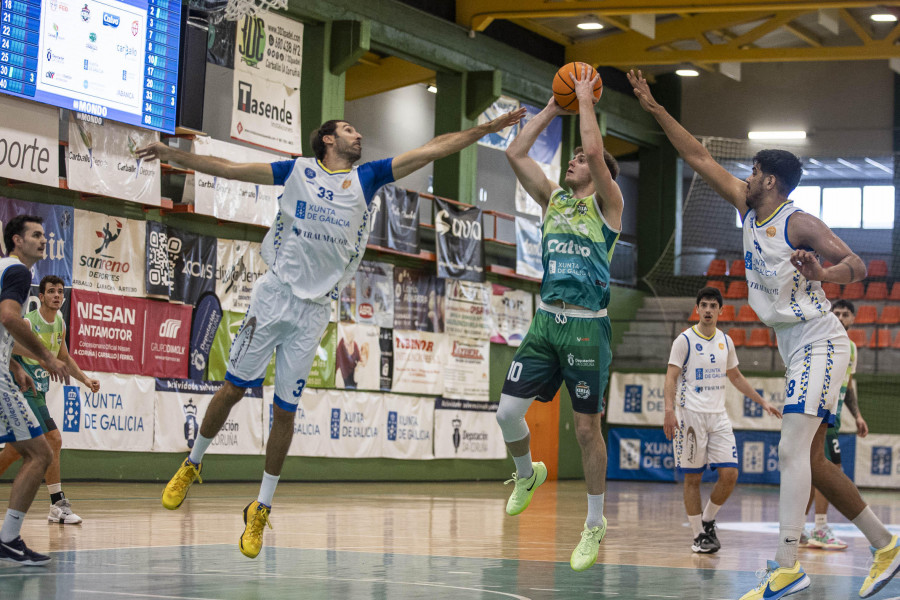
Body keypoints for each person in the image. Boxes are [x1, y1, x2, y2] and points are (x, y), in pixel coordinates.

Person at [137, 107, 526, 559]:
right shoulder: (297, 170)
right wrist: (170, 153)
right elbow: (229, 169)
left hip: (314, 311)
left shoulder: (367, 179)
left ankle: (260, 507)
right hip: (273, 295)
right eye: (348, 129)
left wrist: (484, 130)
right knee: (232, 390)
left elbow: (428, 151)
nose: (358, 134)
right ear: (326, 140)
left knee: (285, 412)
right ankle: (192, 464)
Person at [628, 69, 900, 599]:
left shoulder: (798, 223)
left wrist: (821, 274)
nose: (744, 177)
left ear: (768, 181)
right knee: (813, 463)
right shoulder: (747, 208)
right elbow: (699, 158)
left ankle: (786, 565)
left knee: (792, 451)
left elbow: (858, 267)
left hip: (821, 339)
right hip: (794, 347)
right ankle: (886, 545)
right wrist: (656, 109)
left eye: (752, 172)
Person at [497, 65, 623, 572]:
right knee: (507, 414)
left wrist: (586, 97)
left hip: (588, 327)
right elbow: (514, 153)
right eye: (569, 158)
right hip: (545, 321)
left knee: (587, 431)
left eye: (578, 159)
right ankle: (527, 473)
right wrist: (556, 103)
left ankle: (594, 523)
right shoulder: (553, 200)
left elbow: (595, 151)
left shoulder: (609, 207)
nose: (573, 162)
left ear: (597, 173)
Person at [664, 286, 781, 554]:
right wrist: (669, 410)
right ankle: (697, 536)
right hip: (690, 417)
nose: (707, 310)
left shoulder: (725, 341)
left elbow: (736, 376)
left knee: (730, 475)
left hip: (718, 417)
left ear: (720, 310)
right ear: (697, 309)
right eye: (703, 305)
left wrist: (762, 401)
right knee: (692, 478)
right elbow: (670, 376)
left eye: (712, 306)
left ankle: (708, 520)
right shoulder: (684, 340)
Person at [0, 275, 100, 525]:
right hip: (22, 388)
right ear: (41, 296)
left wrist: (85, 379)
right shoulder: (28, 322)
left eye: (60, 292)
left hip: (39, 392)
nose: (57, 295)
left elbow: (64, 356)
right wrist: (41, 357)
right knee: (53, 439)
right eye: (51, 291)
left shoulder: (60, 324)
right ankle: (58, 504)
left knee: (14, 451)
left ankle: (57, 506)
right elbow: (8, 346)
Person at [0, 215, 70, 565]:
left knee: (35, 448)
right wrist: (45, 356)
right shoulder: (17, 272)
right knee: (40, 453)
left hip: (4, 371)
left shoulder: (5, 271)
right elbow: (9, 319)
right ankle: (8, 538)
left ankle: (9, 539)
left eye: (45, 234)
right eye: (36, 235)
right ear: (17, 239)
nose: (44, 240)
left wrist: (14, 366)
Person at [800, 299, 869, 550]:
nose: (840, 317)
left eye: (845, 314)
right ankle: (819, 528)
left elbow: (847, 385)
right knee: (829, 469)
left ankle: (799, 529)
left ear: (852, 319)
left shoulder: (851, 348)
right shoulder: (823, 341)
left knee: (814, 470)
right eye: (836, 313)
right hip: (822, 413)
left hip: (836, 414)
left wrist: (858, 415)